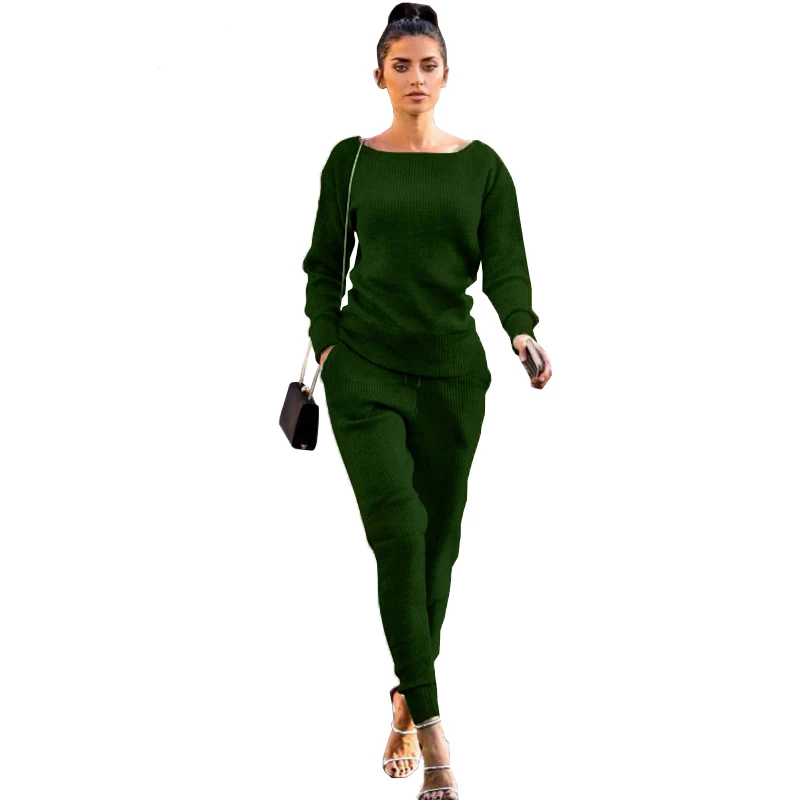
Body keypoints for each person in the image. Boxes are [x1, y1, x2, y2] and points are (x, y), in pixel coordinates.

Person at [301, 4, 552, 798]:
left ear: (447, 75)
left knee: (439, 548)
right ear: (378, 75)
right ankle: (437, 733)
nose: (415, 77)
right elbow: (322, 267)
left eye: (428, 65)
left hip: (452, 379)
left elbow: (505, 264)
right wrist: (329, 344)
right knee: (400, 534)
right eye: (401, 65)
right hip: (365, 372)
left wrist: (521, 331)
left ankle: (406, 700)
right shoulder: (349, 162)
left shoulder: (483, 168)